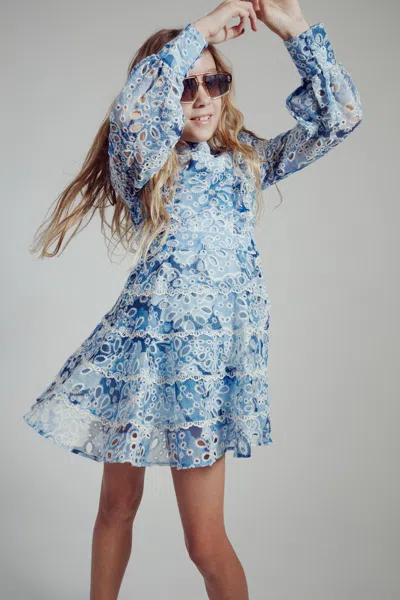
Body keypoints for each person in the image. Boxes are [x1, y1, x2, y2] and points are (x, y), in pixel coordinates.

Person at [22, 1, 363, 598]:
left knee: (205, 543)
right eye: (185, 85)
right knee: (116, 509)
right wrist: (201, 29)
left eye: (214, 81)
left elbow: (341, 117)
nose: (202, 98)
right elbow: (132, 110)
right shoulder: (145, 165)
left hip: (204, 372)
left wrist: (296, 32)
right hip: (140, 353)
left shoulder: (247, 163)